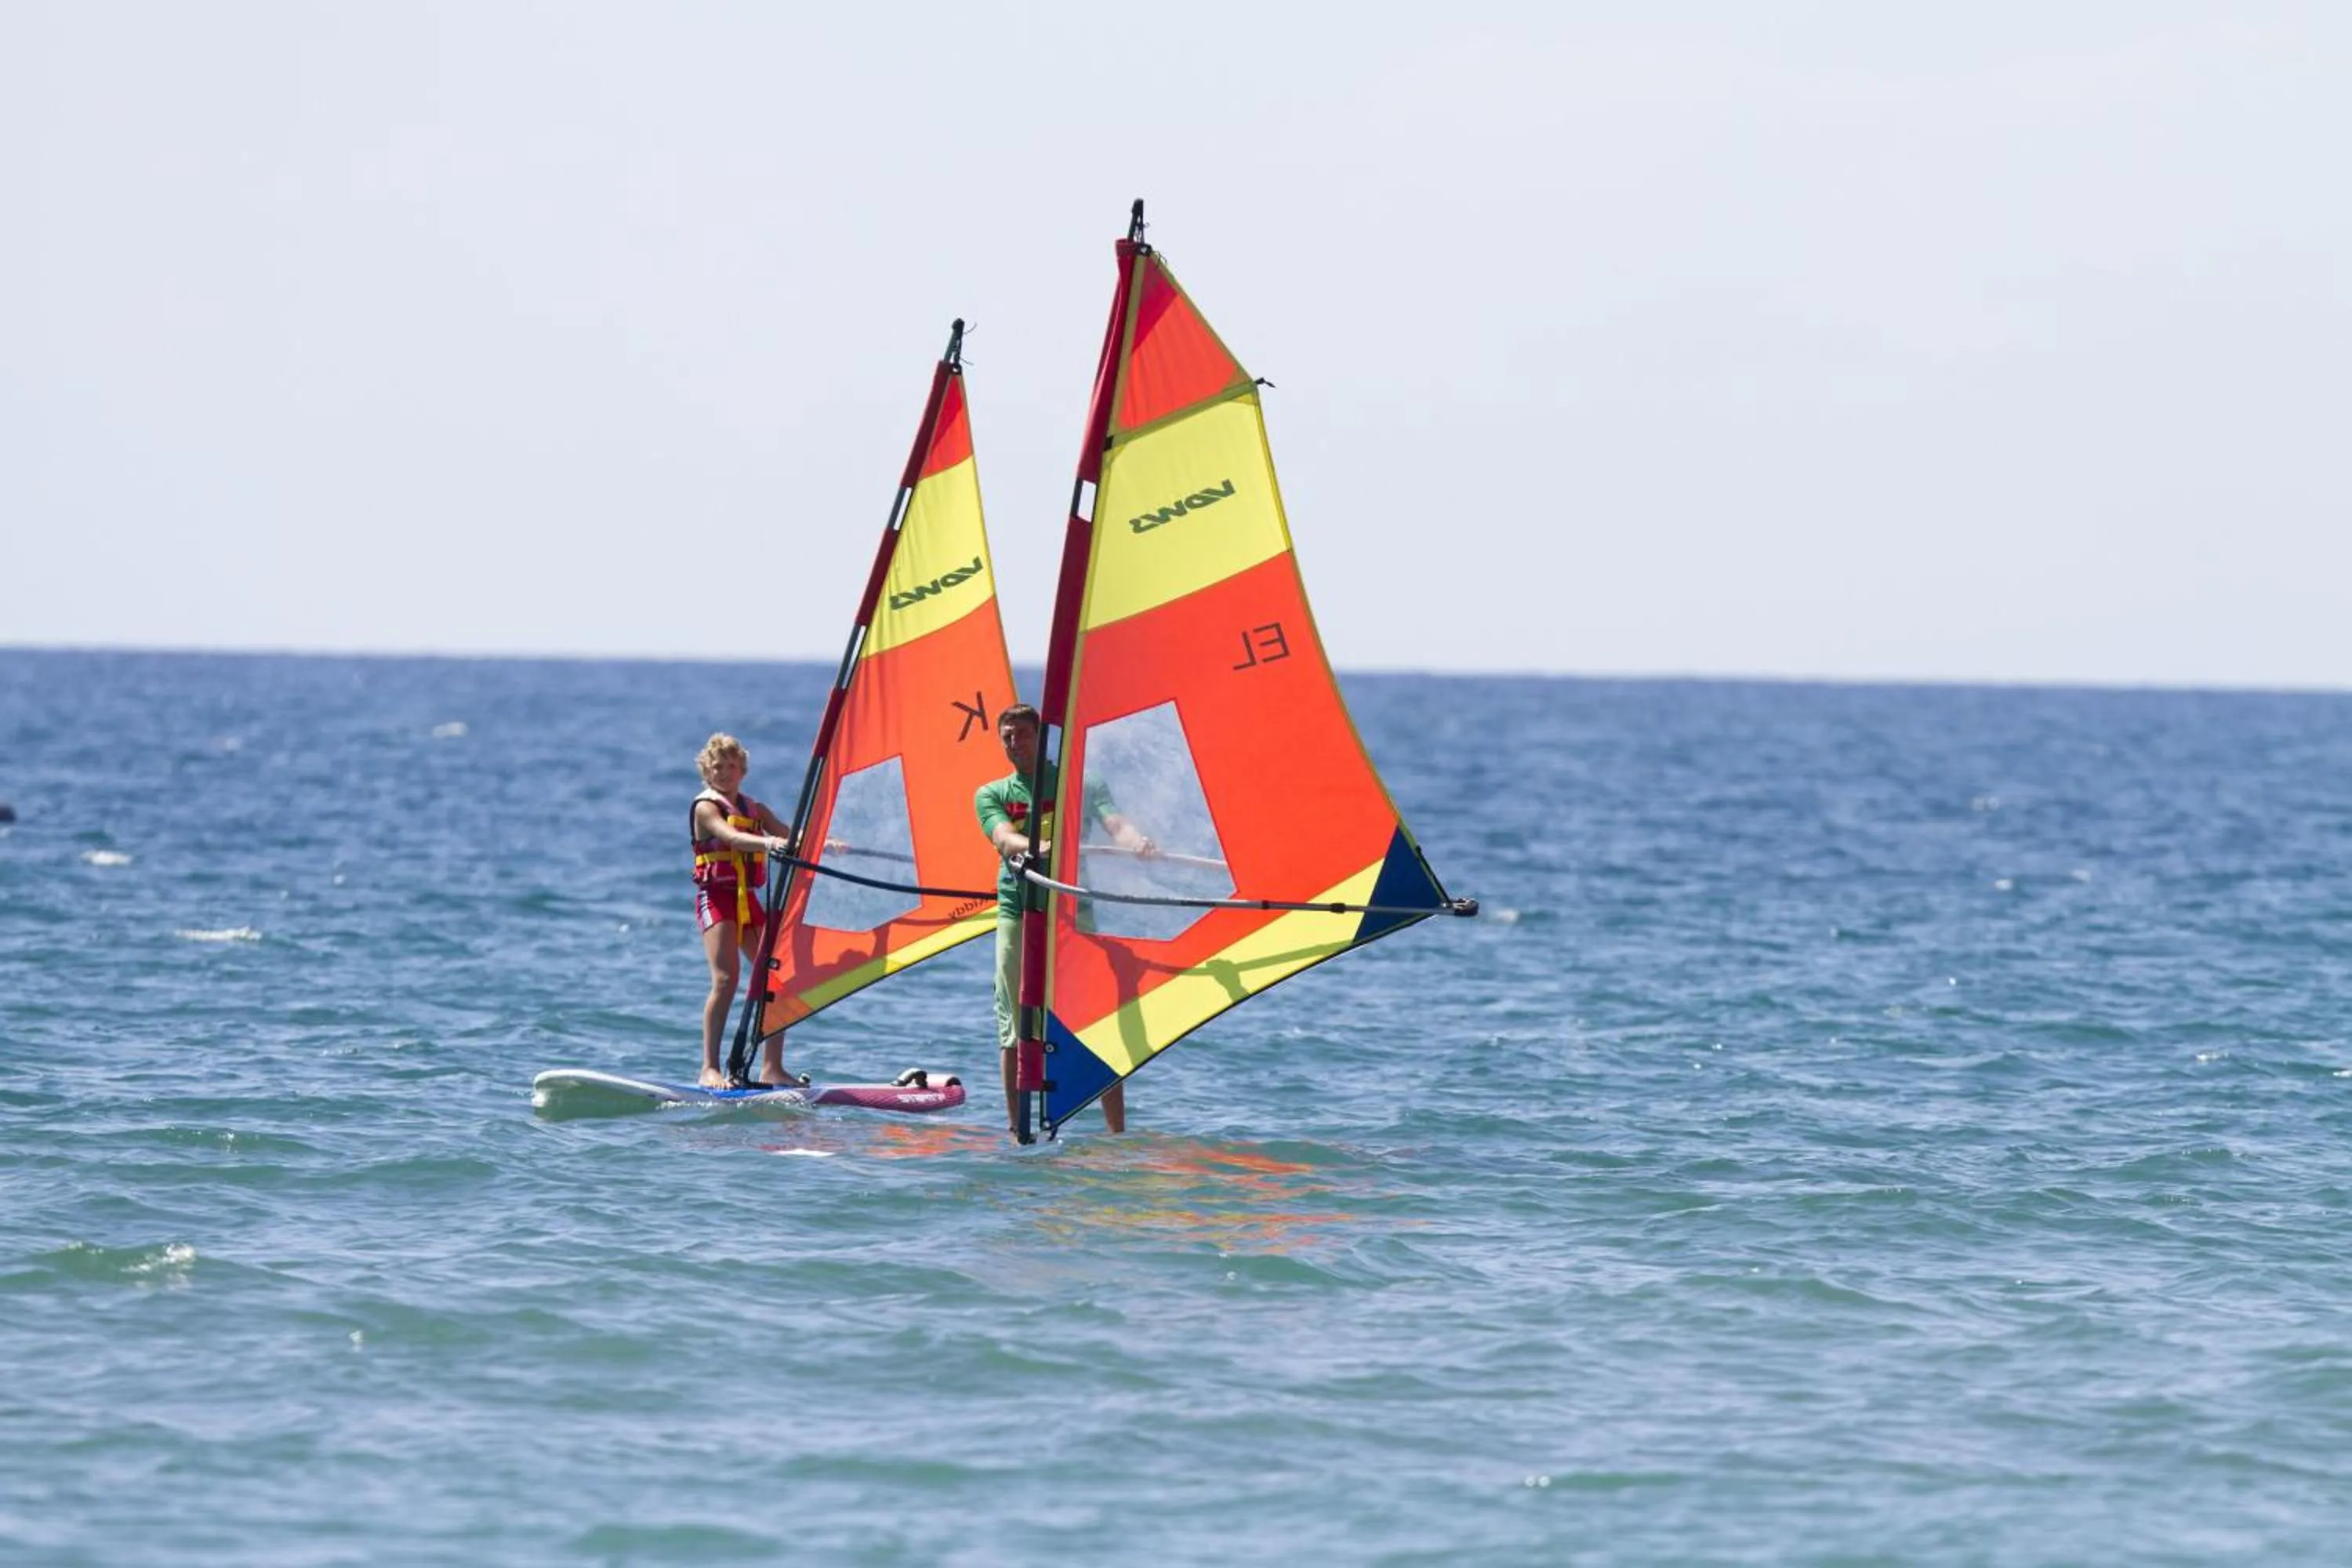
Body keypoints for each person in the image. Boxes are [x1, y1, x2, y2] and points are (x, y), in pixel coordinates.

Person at [975, 704, 1155, 1136]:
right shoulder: (991, 793)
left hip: (1073, 911)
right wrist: (1037, 846)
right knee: (1015, 1026)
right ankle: (1017, 1132)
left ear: (1041, 738)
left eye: (1022, 734)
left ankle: (1116, 1133)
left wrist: (1137, 843)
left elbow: (1116, 825)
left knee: (1097, 1018)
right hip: (1019, 909)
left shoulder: (1083, 783)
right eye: (1007, 736)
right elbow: (1004, 837)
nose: (1014, 743)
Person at [690, 733, 803, 1089]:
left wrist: (825, 844)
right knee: (726, 980)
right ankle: (709, 1068)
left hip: (748, 903)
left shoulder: (756, 810)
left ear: (742, 771)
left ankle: (773, 1068)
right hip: (717, 899)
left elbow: (792, 838)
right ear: (707, 771)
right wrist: (770, 843)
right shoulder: (706, 808)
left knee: (779, 978)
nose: (724, 772)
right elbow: (733, 838)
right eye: (717, 767)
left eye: (731, 766)